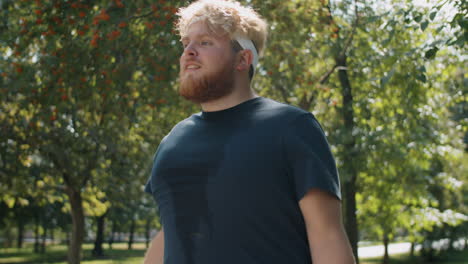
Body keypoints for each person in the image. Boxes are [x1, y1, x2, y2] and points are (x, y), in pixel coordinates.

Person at [143, 0, 355, 263]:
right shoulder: (172, 141)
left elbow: (327, 237)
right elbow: (171, 234)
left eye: (205, 42)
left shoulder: (291, 128)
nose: (188, 52)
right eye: (186, 43)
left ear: (243, 59)